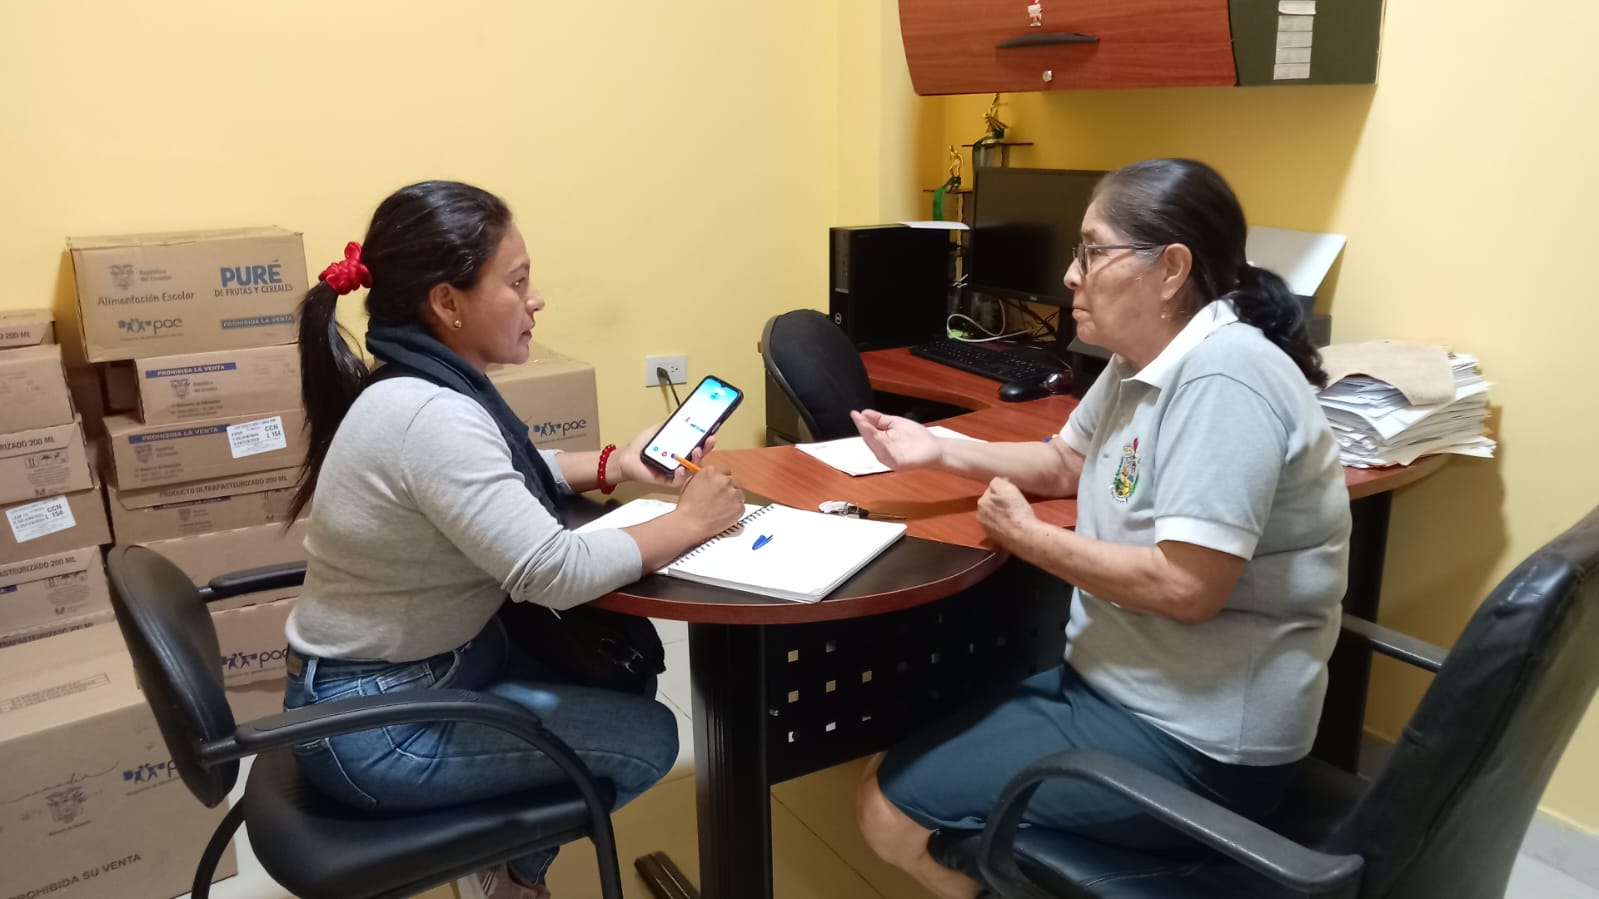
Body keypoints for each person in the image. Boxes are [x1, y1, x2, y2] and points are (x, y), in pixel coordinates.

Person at [851, 158, 1352, 899]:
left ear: (1170, 269)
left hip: (1199, 743)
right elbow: (1065, 460)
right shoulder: (1141, 360)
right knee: (890, 772)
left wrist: (1028, 538)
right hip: (1123, 689)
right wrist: (940, 448)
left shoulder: (1224, 379)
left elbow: (1187, 586)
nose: (1070, 274)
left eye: (1091, 251)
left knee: (887, 811)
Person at [281, 181, 747, 899]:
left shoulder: (413, 386)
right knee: (650, 738)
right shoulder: (430, 415)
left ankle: (502, 858)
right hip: (375, 723)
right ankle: (511, 878)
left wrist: (616, 465)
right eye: (518, 281)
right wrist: (692, 521)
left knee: (612, 666)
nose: (536, 300)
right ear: (448, 302)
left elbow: (498, 476)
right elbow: (554, 571)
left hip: (414, 669)